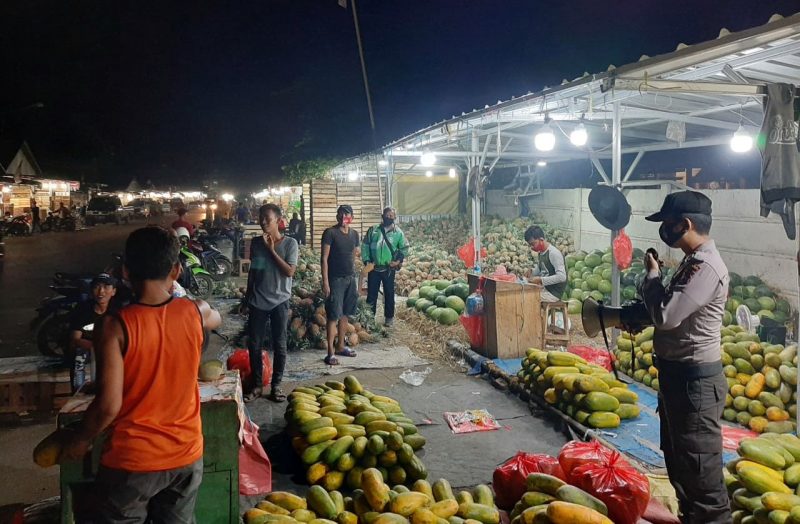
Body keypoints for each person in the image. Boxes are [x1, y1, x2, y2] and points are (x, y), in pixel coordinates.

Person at [62, 226, 222, 522]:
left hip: (133, 462)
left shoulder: (114, 326)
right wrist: (178, 296)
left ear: (125, 271)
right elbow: (216, 316)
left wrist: (82, 439)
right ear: (175, 270)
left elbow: (109, 406)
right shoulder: (195, 311)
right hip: (186, 456)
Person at [641, 191, 730, 523]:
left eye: (668, 223)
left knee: (702, 481)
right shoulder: (692, 261)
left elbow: (666, 315)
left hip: (695, 386)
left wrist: (652, 276)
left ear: (686, 224)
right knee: (681, 470)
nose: (664, 229)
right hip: (678, 381)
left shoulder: (705, 266)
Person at [241, 204, 298, 403]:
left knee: (279, 344)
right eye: (260, 218)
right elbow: (255, 272)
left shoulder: (290, 244)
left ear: (278, 220)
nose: (263, 222)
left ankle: (276, 385)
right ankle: (257, 386)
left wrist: (271, 250)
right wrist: (247, 297)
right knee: (255, 345)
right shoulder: (256, 243)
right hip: (258, 300)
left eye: (267, 218)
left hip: (280, 301)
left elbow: (289, 272)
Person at [321, 205, 360, 365]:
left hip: (350, 278)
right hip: (335, 279)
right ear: (337, 216)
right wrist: (325, 282)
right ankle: (330, 353)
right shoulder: (330, 233)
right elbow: (324, 258)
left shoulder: (355, 234)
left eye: (347, 214)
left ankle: (340, 346)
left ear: (351, 217)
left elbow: (354, 254)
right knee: (333, 316)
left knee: (345, 314)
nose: (344, 216)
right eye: (341, 214)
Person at [67, 273, 118, 388]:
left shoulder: (118, 311)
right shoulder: (82, 310)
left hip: (110, 351)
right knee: (79, 357)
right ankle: (79, 389)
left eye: (106, 287)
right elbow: (75, 339)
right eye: (97, 287)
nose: (101, 292)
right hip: (87, 352)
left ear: (113, 291)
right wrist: (96, 346)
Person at [362, 207, 408, 327]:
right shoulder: (373, 230)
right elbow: (365, 245)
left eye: (391, 216)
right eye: (387, 215)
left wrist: (397, 261)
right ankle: (369, 318)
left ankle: (389, 318)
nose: (389, 217)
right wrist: (366, 260)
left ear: (395, 218)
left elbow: (404, 248)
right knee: (371, 294)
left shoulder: (398, 233)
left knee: (389, 293)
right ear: (382, 216)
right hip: (374, 268)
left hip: (389, 269)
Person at [524, 225, 567, 302]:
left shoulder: (553, 253)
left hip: (553, 293)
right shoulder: (541, 253)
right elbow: (541, 269)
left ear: (541, 239)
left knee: (525, 298)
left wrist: (541, 280)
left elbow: (562, 277)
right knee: (521, 293)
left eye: (533, 244)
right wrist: (532, 271)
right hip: (544, 289)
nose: (532, 247)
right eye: (530, 245)